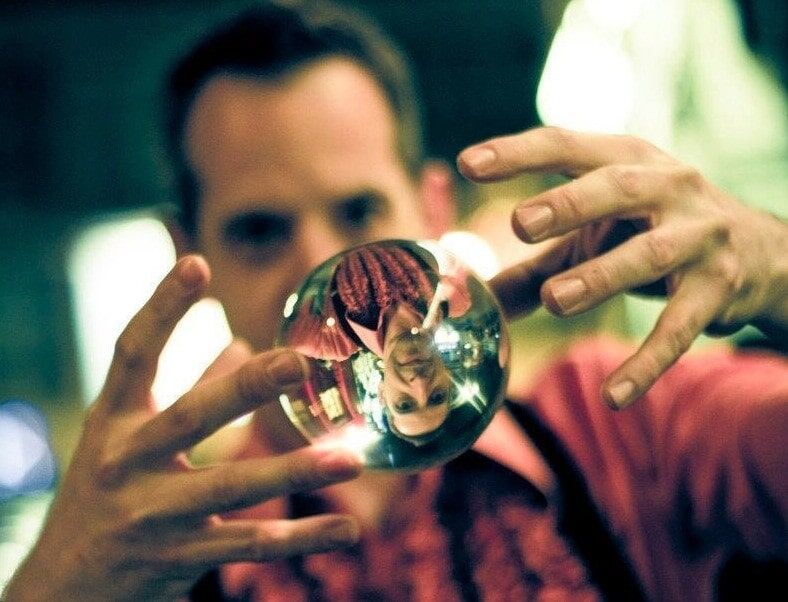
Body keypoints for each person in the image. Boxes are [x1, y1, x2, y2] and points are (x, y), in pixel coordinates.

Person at [5, 1, 787, 600]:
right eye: (259, 229)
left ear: (432, 211)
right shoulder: (168, 559)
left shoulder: (622, 422)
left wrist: (780, 268)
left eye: (359, 212)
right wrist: (53, 585)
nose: (323, 268)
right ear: (189, 252)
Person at [285, 242, 471, 441]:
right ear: (448, 377)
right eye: (437, 397)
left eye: (404, 405)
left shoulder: (331, 341)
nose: (419, 383)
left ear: (382, 393)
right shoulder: (453, 298)